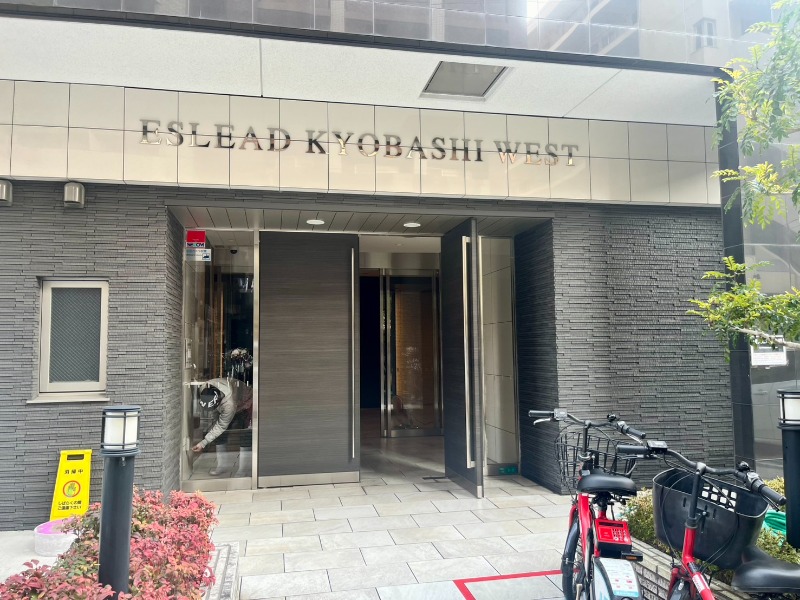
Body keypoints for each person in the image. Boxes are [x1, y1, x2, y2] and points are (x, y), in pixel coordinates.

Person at [191, 378, 236, 475]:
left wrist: (203, 442)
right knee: (218, 436)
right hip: (221, 401)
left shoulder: (229, 405)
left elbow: (221, 426)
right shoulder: (204, 387)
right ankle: (221, 466)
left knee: (243, 439)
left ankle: (242, 470)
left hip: (243, 405)